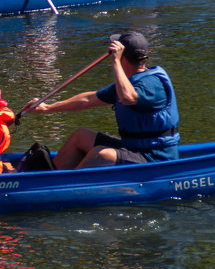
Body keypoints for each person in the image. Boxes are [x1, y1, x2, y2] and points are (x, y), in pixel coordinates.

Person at [21, 32, 179, 169]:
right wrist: (47, 107)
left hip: (154, 158)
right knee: (81, 135)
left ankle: (63, 187)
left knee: (102, 155)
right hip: (133, 148)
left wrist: (115, 62)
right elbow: (87, 99)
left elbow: (127, 97)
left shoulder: (152, 84)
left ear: (121, 56)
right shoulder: (128, 82)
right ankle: (51, 176)